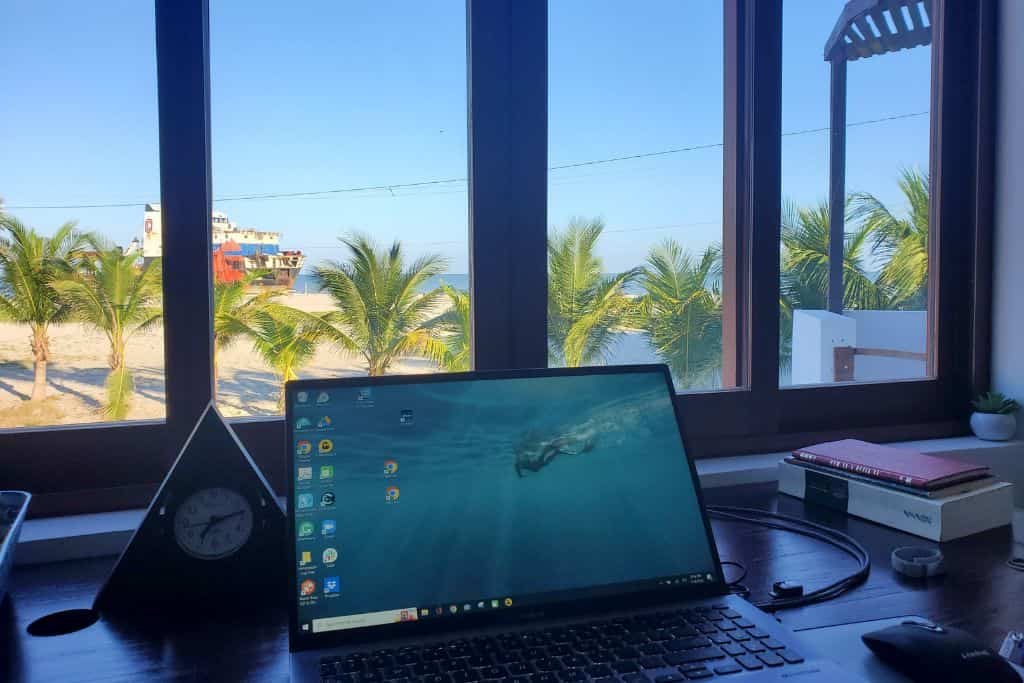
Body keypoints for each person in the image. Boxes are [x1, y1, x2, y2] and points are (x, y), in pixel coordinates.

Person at [514, 432, 596, 477]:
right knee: (556, 450)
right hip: (542, 461)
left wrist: (520, 475)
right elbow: (518, 465)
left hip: (541, 461)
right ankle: (585, 447)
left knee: (556, 449)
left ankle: (584, 446)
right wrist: (520, 474)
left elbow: (518, 465)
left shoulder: (523, 461)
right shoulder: (524, 461)